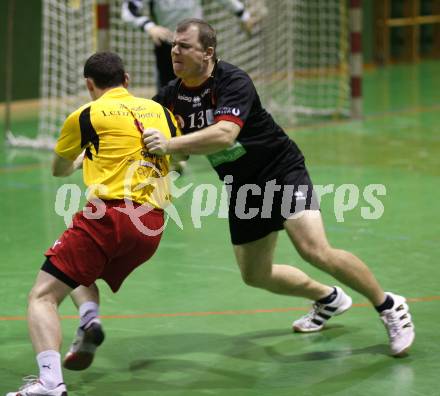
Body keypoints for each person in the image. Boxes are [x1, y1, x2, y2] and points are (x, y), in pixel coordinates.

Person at [142, 19, 415, 357]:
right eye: (174, 45)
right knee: (255, 274)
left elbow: (225, 134)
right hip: (242, 187)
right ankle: (328, 298)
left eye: (185, 45)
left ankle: (389, 305)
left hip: (279, 170)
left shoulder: (232, 81)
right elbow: (142, 129)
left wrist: (170, 146)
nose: (175, 51)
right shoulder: (171, 95)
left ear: (208, 52)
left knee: (313, 248)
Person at [7, 51, 180, 396]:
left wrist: (82, 159)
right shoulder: (162, 112)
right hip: (152, 225)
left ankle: (50, 383)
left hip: (110, 216)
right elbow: (177, 158)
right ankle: (89, 319)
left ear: (89, 85)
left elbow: (58, 169)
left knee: (41, 296)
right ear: (126, 79)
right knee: (75, 270)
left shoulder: (84, 115)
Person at [121, 0, 254, 88]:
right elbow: (128, 12)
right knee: (170, 97)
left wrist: (243, 15)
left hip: (199, 44)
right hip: (168, 46)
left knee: (212, 90)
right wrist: (149, 26)